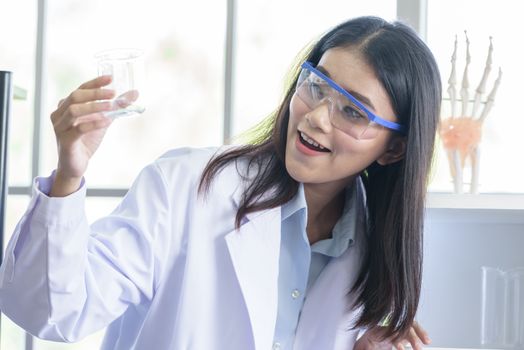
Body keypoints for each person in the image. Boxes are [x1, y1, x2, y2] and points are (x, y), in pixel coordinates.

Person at [0, 16, 441, 350]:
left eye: (353, 112)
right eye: (317, 85)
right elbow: (52, 311)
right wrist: (68, 175)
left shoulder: (375, 251)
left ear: (394, 150)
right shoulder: (185, 188)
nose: (316, 115)